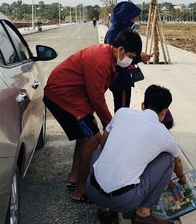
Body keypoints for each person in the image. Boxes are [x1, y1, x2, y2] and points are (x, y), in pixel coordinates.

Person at [44, 30, 142, 202]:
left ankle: (74, 178)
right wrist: (111, 125)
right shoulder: (100, 61)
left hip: (73, 96)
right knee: (93, 139)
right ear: (120, 50)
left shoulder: (108, 56)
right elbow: (96, 97)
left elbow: (95, 94)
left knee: (85, 136)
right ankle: (81, 190)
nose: (130, 61)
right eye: (130, 56)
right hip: (64, 97)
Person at [85, 84, 186, 224]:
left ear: (143, 105)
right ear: (164, 112)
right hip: (124, 201)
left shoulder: (122, 113)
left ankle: (104, 209)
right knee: (167, 160)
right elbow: (177, 161)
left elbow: (105, 141)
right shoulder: (164, 134)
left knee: (101, 150)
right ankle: (143, 214)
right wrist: (182, 178)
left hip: (92, 191)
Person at [105, 1, 152, 111]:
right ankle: (118, 127)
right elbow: (118, 57)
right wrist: (139, 58)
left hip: (122, 77)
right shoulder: (114, 32)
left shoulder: (121, 30)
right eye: (132, 19)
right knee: (122, 110)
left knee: (122, 107)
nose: (134, 22)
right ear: (124, 17)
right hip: (119, 78)